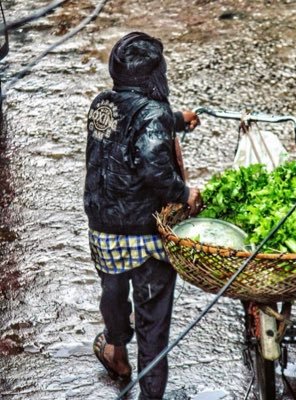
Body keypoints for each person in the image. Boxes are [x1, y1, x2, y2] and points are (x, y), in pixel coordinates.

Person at [83, 31, 202, 399]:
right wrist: (186, 193)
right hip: (144, 235)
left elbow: (135, 122)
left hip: (103, 229)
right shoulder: (153, 114)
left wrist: (178, 120)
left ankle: (116, 353)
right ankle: (151, 392)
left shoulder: (102, 103)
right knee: (153, 321)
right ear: (155, 76)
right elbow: (154, 167)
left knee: (114, 295)